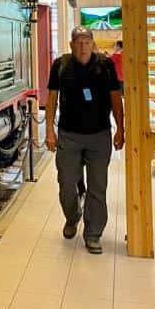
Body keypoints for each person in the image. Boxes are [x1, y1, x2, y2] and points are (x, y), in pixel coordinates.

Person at [45, 26, 124, 254]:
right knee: (66, 184)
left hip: (99, 135)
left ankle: (93, 233)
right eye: (78, 42)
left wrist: (121, 128)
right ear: (71, 45)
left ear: (93, 43)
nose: (83, 46)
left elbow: (116, 99)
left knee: (98, 187)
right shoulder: (60, 65)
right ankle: (73, 217)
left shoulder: (105, 65)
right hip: (69, 135)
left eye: (86, 42)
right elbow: (51, 100)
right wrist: (49, 131)